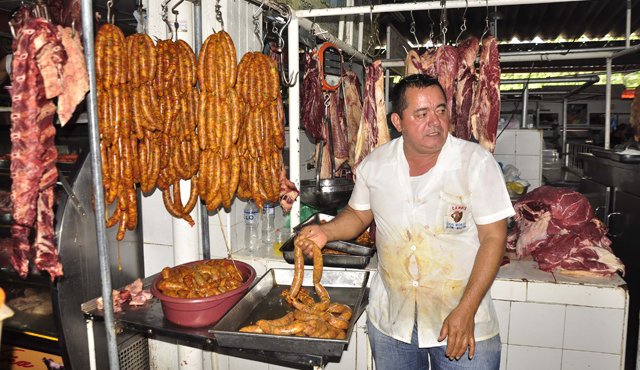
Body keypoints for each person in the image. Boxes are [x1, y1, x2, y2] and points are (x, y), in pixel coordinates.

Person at [295, 74, 515, 370]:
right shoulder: (376, 164)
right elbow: (359, 214)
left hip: (461, 318)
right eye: (421, 114)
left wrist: (466, 309)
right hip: (393, 325)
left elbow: (494, 239)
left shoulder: (475, 163)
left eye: (440, 110)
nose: (435, 122)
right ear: (397, 122)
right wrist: (325, 231)